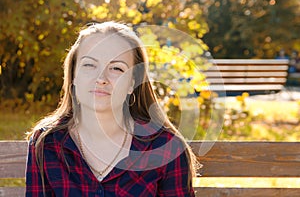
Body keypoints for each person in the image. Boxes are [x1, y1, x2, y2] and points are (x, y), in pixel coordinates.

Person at [25, 22, 198, 196]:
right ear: (74, 75)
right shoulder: (47, 142)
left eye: (116, 68)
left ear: (132, 83)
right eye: (89, 65)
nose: (101, 78)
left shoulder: (166, 147)